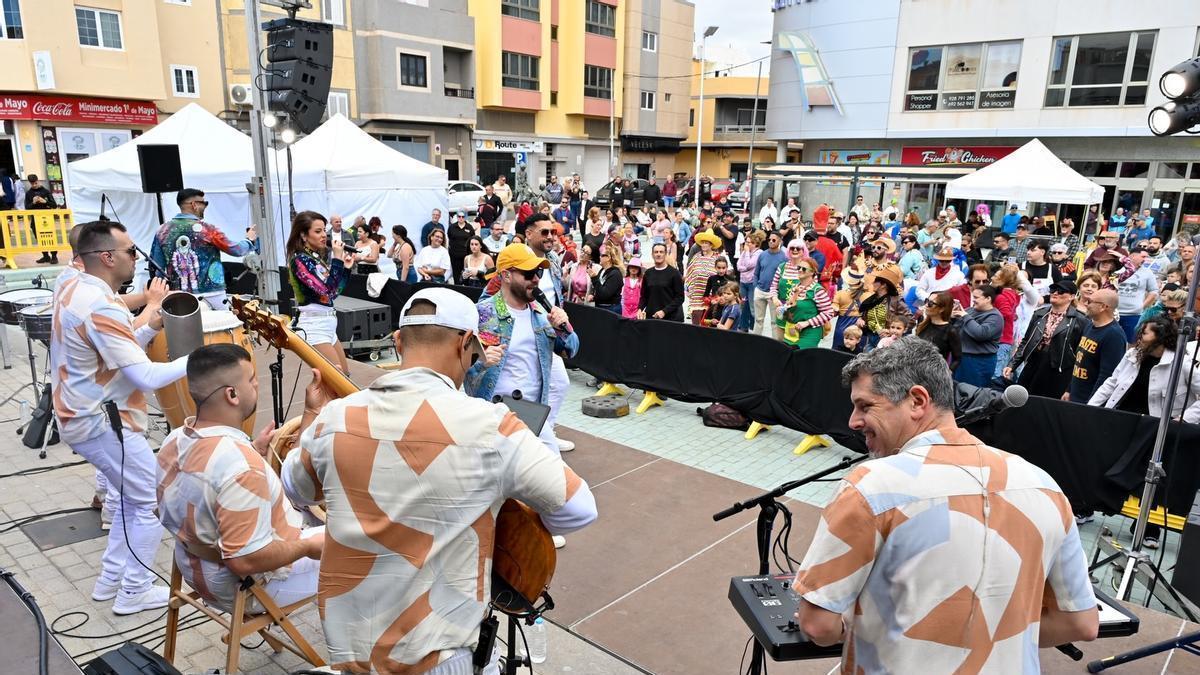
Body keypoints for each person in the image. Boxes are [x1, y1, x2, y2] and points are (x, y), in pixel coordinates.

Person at [284, 288, 595, 672]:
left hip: (349, 652)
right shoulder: (490, 426)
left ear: (397, 342)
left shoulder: (334, 419)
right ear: (466, 343)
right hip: (440, 654)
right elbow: (579, 509)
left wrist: (312, 415)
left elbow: (296, 488)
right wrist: (500, 520)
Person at [796, 337, 1098, 671]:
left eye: (865, 406)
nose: (853, 420)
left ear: (917, 401)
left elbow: (817, 625)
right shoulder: (1045, 486)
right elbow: (1081, 623)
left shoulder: (872, 485)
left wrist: (864, 628)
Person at [51, 220, 189, 614]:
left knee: (131, 498)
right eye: (131, 252)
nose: (137, 259)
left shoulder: (71, 284)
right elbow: (144, 375)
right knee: (149, 501)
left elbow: (113, 345)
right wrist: (198, 359)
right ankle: (135, 591)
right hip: (101, 422)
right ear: (107, 257)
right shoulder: (100, 304)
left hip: (84, 416)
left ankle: (111, 579)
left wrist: (148, 323)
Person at [157, 344, 324, 614]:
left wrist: (255, 452)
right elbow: (245, 561)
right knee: (367, 542)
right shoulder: (240, 467)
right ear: (231, 394)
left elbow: (211, 482)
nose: (257, 385)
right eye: (251, 379)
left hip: (193, 569)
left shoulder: (175, 439)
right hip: (245, 588)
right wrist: (307, 546)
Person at [467, 244, 579, 451]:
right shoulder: (481, 314)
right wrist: (480, 362)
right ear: (507, 276)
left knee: (552, 474)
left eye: (538, 272)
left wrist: (565, 327)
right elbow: (457, 367)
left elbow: (571, 350)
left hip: (532, 413)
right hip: (494, 413)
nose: (536, 279)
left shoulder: (541, 315)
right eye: (528, 273)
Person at [150, 188, 258, 310]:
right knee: (224, 327)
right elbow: (236, 250)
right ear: (194, 205)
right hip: (213, 294)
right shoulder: (207, 230)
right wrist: (249, 240)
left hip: (180, 296)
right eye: (204, 203)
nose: (205, 206)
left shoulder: (162, 231)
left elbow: (157, 267)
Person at [286, 211, 352, 376]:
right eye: (318, 231)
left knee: (345, 377)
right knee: (337, 380)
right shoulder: (300, 260)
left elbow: (333, 293)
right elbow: (326, 290)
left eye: (324, 230)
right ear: (303, 235)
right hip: (314, 326)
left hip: (328, 324)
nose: (324, 235)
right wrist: (337, 260)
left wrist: (346, 270)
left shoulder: (315, 258)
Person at [1005, 280, 1090, 397]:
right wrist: (1012, 365)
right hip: (1034, 364)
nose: (1055, 293)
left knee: (1046, 406)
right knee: (1022, 400)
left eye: (1061, 291)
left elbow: (1081, 356)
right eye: (1053, 290)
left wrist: (1070, 387)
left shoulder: (1080, 320)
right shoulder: (1039, 314)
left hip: (1059, 371)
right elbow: (1026, 341)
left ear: (1071, 296)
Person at [1067, 289, 1127, 404]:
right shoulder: (1089, 326)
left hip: (1089, 402)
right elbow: (1079, 362)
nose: (1085, 304)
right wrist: (1069, 390)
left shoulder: (1114, 335)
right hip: (1075, 397)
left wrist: (1092, 403)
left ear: (1103, 307)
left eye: (1090, 301)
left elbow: (1107, 375)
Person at [772, 254, 833, 348]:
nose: (800, 270)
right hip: (792, 331)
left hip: (810, 332)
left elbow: (829, 313)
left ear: (812, 272)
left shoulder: (817, 290)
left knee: (800, 357)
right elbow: (791, 307)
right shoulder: (795, 287)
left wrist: (807, 323)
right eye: (798, 268)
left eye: (804, 269)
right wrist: (782, 309)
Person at [954, 284, 1004, 387]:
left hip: (979, 362)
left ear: (988, 299)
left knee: (973, 395)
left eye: (976, 298)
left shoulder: (995, 317)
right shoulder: (970, 310)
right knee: (956, 391)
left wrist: (965, 316)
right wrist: (952, 315)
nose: (973, 300)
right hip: (961, 359)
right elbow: (954, 328)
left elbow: (980, 334)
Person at [858, 265, 910, 351]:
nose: (872, 283)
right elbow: (865, 316)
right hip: (871, 339)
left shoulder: (896, 301)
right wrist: (860, 320)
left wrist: (892, 330)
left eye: (875, 281)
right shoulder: (871, 300)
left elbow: (909, 320)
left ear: (883, 285)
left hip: (888, 343)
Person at [1116, 249, 1159, 342]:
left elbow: (1154, 291)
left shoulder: (1147, 272)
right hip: (1114, 313)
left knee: (1132, 342)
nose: (1145, 259)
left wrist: (1142, 306)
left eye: (1147, 257)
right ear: (1132, 256)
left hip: (1134, 315)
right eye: (1143, 257)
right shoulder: (1118, 270)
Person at [684, 231, 724, 325]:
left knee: (708, 324)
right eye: (703, 242)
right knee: (696, 323)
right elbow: (690, 273)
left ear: (711, 245)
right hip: (696, 297)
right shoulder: (696, 257)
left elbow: (722, 274)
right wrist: (688, 288)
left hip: (711, 297)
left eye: (706, 243)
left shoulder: (717, 258)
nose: (704, 245)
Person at [638, 243, 685, 322]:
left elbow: (680, 298)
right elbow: (644, 296)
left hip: (670, 318)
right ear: (652, 255)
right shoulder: (648, 273)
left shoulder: (674, 273)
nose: (658, 254)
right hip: (651, 317)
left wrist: (664, 311)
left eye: (661, 252)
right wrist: (640, 309)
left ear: (665, 254)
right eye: (656, 252)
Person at [914, 291, 961, 369]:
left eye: (930, 303)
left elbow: (957, 359)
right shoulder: (923, 324)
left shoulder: (950, 331)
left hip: (934, 376)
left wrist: (947, 373)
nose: (926, 305)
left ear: (942, 309)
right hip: (915, 371)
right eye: (926, 301)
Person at [24, 174, 59, 263]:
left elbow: (54, 205)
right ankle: (45, 256)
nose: (34, 185)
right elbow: (27, 208)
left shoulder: (46, 191)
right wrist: (33, 202)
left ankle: (54, 256)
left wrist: (45, 201)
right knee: (39, 237)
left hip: (47, 219)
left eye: (35, 183)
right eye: (32, 184)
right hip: (35, 219)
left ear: (38, 180)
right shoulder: (29, 193)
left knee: (50, 236)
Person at [735, 231, 764, 332]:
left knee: (752, 306)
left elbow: (748, 264)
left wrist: (746, 253)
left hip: (752, 283)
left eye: (749, 242)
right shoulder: (744, 252)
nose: (746, 244)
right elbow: (739, 266)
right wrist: (745, 268)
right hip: (743, 282)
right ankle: (743, 326)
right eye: (746, 242)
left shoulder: (759, 253)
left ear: (755, 244)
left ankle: (754, 326)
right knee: (743, 305)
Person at [592, 245, 623, 313]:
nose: (599, 257)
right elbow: (599, 288)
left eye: (602, 255)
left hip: (611, 309)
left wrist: (594, 278)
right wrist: (593, 296)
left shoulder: (615, 274)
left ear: (608, 257)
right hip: (600, 307)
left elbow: (605, 294)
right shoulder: (602, 270)